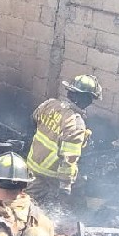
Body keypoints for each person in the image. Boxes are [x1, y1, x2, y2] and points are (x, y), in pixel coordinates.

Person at [25, 74, 103, 202]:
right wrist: (65, 188)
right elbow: (69, 159)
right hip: (52, 174)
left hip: (32, 165)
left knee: (28, 202)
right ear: (87, 100)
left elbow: (33, 120)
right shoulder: (76, 123)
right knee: (80, 186)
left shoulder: (49, 104)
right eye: (91, 99)